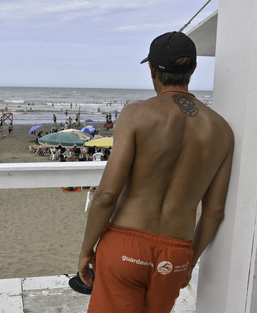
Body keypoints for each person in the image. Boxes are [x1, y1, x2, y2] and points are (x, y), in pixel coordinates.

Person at [77, 31, 234, 313]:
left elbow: (107, 194)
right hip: (176, 253)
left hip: (125, 245)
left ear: (152, 69)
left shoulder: (136, 114)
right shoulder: (221, 130)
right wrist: (190, 261)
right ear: (193, 69)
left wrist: (87, 249)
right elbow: (214, 212)